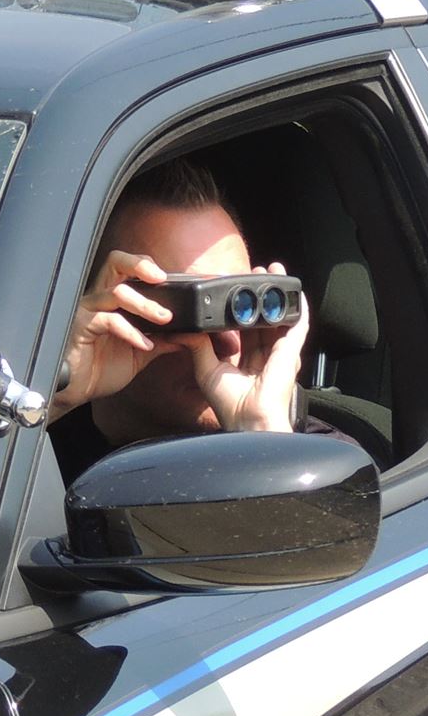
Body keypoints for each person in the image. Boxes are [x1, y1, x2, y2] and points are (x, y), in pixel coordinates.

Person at [47, 158, 317, 477]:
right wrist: (57, 394)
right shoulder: (31, 446)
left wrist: (260, 430)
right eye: (195, 311)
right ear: (111, 309)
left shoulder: (322, 462)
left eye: (242, 304)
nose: (230, 342)